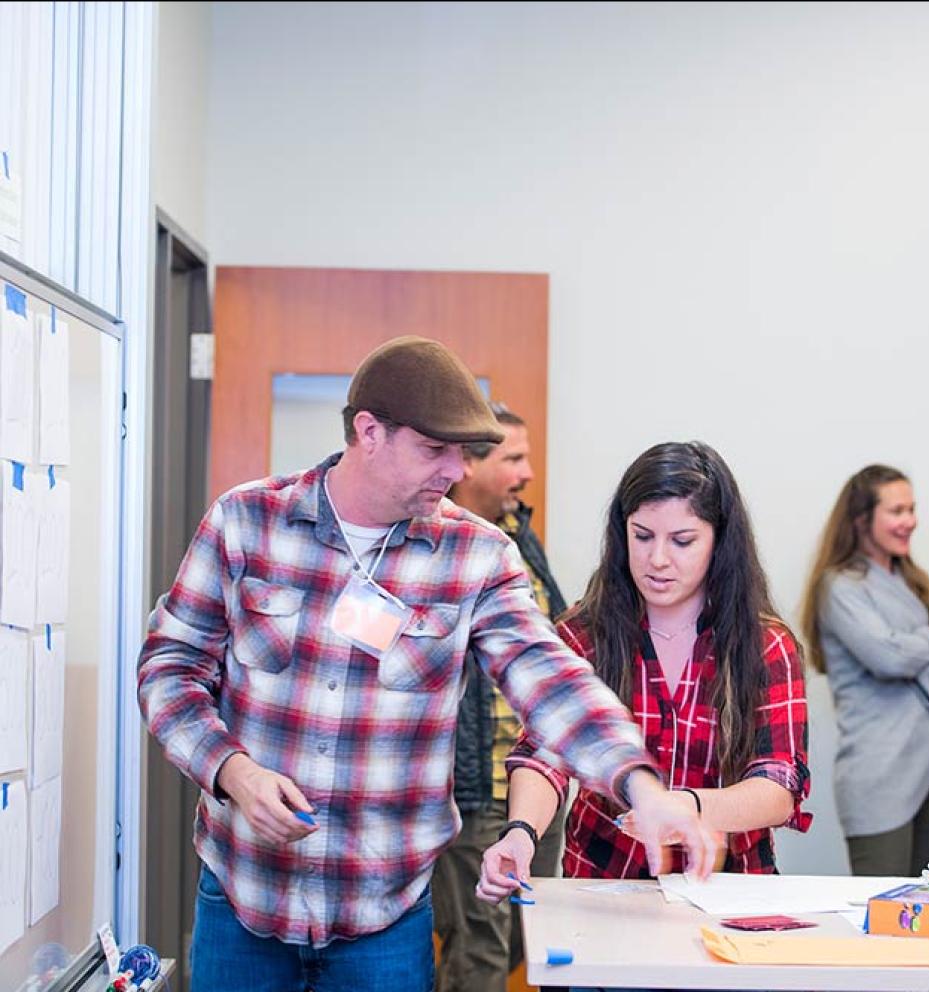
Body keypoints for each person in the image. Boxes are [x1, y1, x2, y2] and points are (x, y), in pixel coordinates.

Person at [137, 337, 718, 992]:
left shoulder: (477, 556)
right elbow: (169, 668)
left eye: (465, 451)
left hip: (385, 920)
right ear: (369, 432)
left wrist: (642, 787)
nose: (457, 470)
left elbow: (549, 678)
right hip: (244, 902)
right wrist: (231, 772)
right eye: (435, 449)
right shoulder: (246, 523)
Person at [476, 441, 810, 905]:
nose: (657, 559)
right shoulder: (584, 633)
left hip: (728, 895)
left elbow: (777, 787)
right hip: (603, 886)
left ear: (720, 540)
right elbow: (543, 755)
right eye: (643, 535)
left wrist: (685, 806)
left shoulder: (764, 644)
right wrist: (521, 833)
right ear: (622, 532)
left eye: (682, 541)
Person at [433, 401, 567, 992]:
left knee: (519, 941)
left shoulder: (518, 538)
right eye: (514, 458)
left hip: (533, 788)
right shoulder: (433, 546)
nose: (528, 472)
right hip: (473, 790)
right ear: (468, 465)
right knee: (480, 952)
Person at [800, 464, 929, 877]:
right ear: (861, 519)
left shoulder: (915, 583)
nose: (909, 521)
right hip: (879, 777)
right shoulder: (840, 586)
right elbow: (888, 658)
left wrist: (911, 655)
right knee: (884, 917)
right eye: (896, 511)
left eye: (911, 509)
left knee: (923, 908)